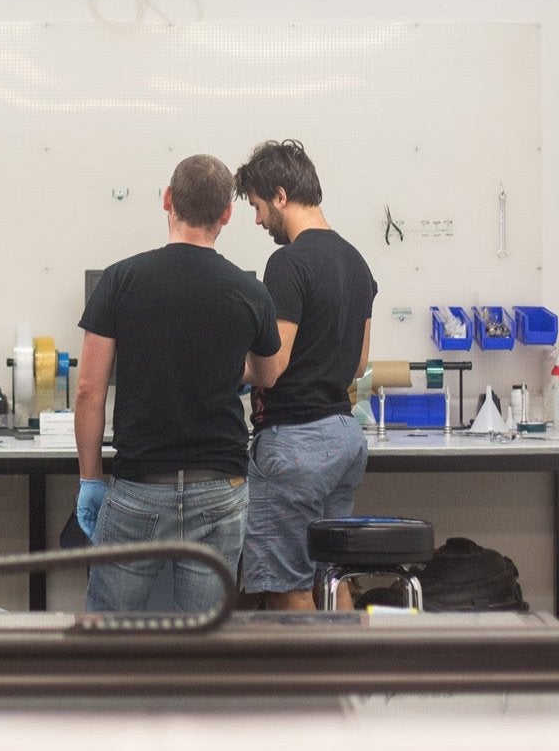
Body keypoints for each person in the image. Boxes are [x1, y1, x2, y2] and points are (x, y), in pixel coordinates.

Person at [74, 154, 283, 612]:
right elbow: (268, 374)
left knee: (106, 634)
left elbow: (89, 389)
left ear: (167, 200)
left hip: (140, 487)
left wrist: (90, 478)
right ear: (227, 215)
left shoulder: (121, 280)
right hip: (220, 488)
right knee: (202, 642)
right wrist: (224, 366)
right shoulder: (250, 292)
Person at [233, 139, 376, 610]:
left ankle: (306, 686)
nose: (257, 220)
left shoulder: (288, 262)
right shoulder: (358, 263)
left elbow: (272, 369)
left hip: (296, 446)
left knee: (285, 583)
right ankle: (349, 682)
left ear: (279, 195)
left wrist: (226, 365)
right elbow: (358, 364)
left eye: (256, 206)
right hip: (344, 438)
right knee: (331, 578)